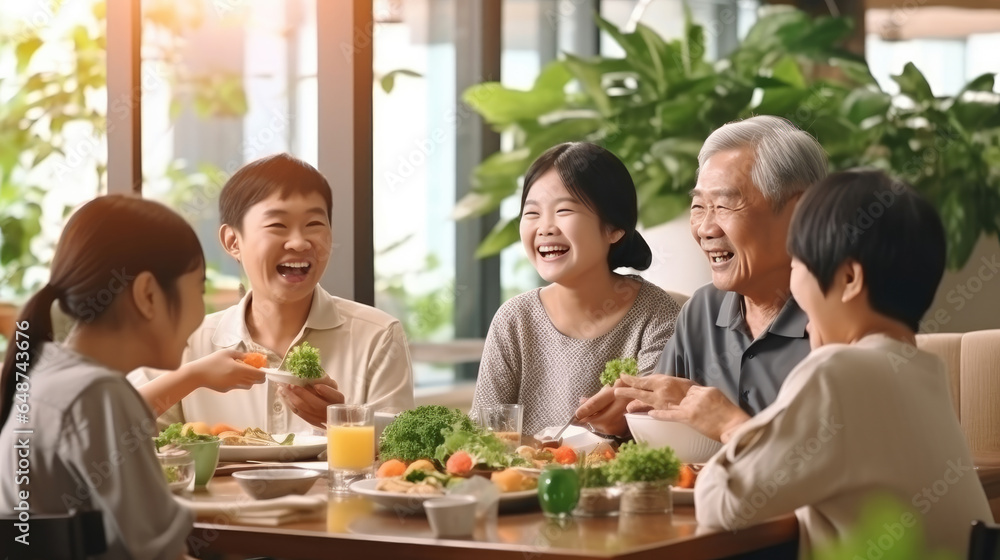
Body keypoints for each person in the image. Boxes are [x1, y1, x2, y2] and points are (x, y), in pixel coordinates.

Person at [689, 170, 994, 557]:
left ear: (849, 278)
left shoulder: (839, 372)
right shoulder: (926, 374)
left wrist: (731, 426)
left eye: (797, 265)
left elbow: (724, 504)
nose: (792, 285)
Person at [577, 116, 828, 438]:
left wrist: (729, 423)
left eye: (724, 205)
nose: (706, 229)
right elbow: (665, 429)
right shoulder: (704, 310)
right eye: (698, 206)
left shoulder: (843, 317)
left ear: (800, 212)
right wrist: (629, 417)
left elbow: (848, 466)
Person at [132, 153, 414, 433]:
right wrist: (193, 376)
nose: (299, 243)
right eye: (277, 225)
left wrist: (341, 420)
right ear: (233, 241)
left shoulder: (378, 336)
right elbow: (113, 428)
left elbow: (401, 458)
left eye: (314, 225)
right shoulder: (188, 342)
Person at [0, 195, 203, 560]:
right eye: (200, 289)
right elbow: (161, 555)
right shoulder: (98, 394)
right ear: (148, 295)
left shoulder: (43, 375)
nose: (202, 312)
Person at [471, 142, 681, 437]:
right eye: (532, 213)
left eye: (564, 210)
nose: (545, 227)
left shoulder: (657, 315)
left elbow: (659, 429)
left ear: (614, 228)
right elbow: (483, 434)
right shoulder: (514, 319)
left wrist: (624, 425)